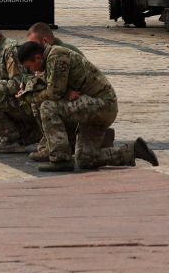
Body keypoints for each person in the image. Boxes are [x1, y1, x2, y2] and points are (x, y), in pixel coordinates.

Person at [20, 34, 157, 172]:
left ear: (37, 57)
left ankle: (60, 159)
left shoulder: (56, 55)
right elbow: (51, 86)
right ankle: (133, 150)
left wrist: (27, 97)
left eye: (31, 67)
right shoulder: (48, 60)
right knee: (86, 159)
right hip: (93, 108)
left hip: (101, 105)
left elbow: (53, 93)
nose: (32, 71)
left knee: (47, 107)